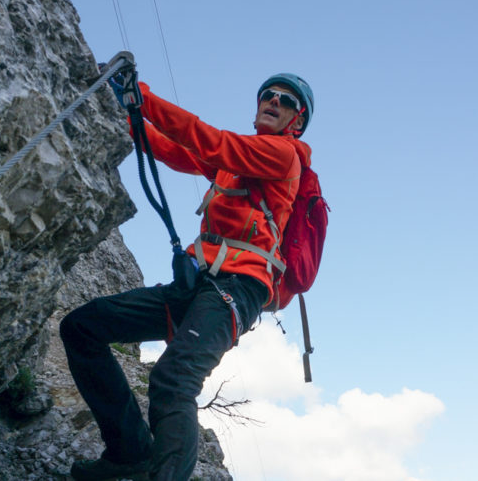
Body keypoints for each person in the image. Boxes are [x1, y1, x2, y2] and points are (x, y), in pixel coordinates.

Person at [60, 72, 315, 481]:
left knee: (174, 381)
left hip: (237, 289)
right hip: (197, 285)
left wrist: (141, 97)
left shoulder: (283, 157)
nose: (272, 101)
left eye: (285, 100)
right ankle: (130, 453)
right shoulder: (234, 168)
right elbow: (173, 149)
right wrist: (127, 113)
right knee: (81, 328)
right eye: (267, 95)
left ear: (296, 122)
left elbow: (209, 140)